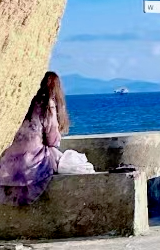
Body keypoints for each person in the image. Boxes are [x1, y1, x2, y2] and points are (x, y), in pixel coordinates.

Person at [0, 72, 92, 205]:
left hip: (8, 167)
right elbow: (52, 140)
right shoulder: (47, 105)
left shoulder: (23, 103)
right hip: (30, 169)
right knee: (59, 156)